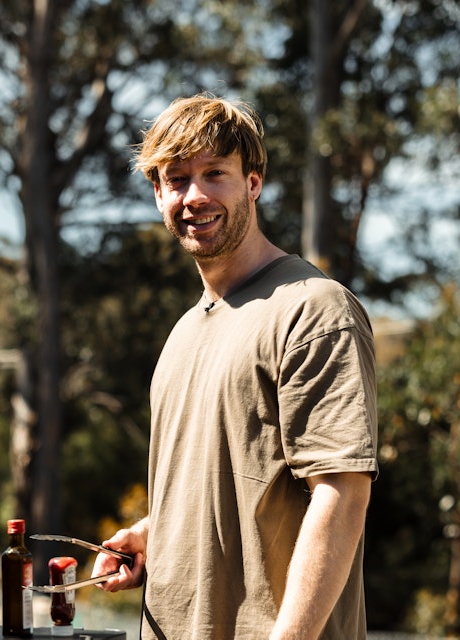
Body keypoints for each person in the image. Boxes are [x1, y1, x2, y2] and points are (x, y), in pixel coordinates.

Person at [91, 93, 378, 640]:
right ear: (157, 194)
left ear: (253, 181)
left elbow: (342, 494)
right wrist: (158, 535)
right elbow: (240, 488)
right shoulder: (184, 333)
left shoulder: (312, 309)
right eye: (176, 180)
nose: (194, 196)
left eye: (214, 173)